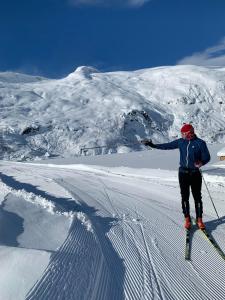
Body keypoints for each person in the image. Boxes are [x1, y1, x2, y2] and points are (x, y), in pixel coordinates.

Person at [141, 124, 210, 230]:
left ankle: (199, 220)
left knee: (197, 197)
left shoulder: (200, 143)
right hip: (183, 173)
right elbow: (167, 146)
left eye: (184, 134)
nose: (182, 135)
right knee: (184, 197)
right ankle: (187, 219)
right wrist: (152, 145)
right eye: (182, 134)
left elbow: (207, 157)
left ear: (190, 133)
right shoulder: (181, 142)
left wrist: (201, 162)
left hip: (195, 173)